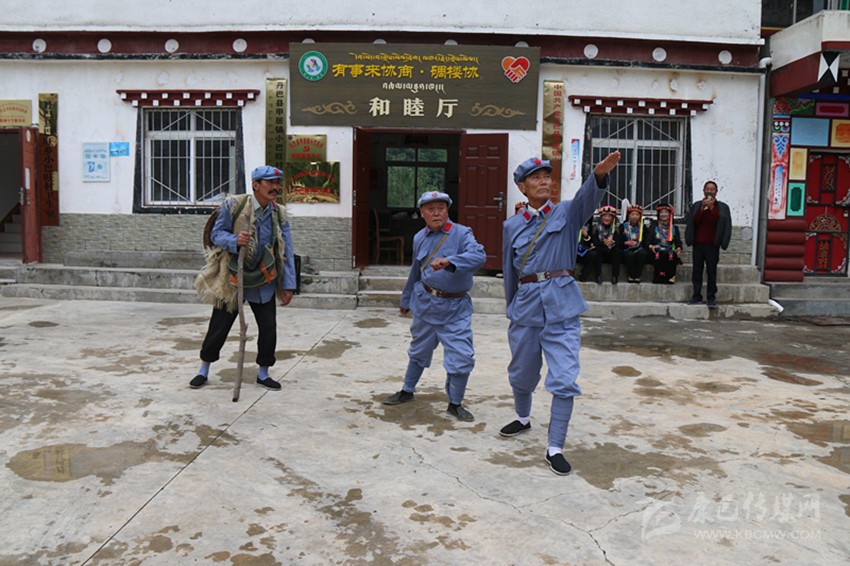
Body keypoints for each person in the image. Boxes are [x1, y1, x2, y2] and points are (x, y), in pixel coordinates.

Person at [501, 151, 621, 475]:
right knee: (522, 374)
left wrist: (598, 176)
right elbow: (510, 272)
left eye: (546, 176)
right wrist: (511, 308)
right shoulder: (511, 226)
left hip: (562, 307)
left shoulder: (567, 213)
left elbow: (587, 198)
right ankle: (523, 417)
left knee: (565, 378)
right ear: (522, 187)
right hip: (525, 308)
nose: (543, 181)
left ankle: (555, 447)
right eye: (535, 178)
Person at [383, 190, 486, 422]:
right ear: (422, 214)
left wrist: (451, 261)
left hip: (455, 308)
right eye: (431, 209)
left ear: (447, 210)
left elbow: (479, 256)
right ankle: (407, 391)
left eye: (441, 208)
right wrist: (406, 299)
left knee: (462, 356)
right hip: (426, 304)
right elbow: (415, 271)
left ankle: (455, 404)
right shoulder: (419, 237)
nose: (436, 213)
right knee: (418, 350)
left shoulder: (462, 233)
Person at [191, 165, 296, 390]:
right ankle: (203, 369)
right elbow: (216, 234)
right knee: (219, 326)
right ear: (255, 185)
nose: (275, 187)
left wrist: (289, 285)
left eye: (277, 183)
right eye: (270, 182)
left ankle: (263, 373)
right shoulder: (234, 205)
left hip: (263, 278)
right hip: (232, 277)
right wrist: (234, 241)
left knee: (268, 328)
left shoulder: (279, 213)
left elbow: (286, 250)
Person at [685, 180, 732, 308]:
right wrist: (702, 208)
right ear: (703, 191)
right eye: (707, 189)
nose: (709, 191)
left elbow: (722, 221)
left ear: (716, 192)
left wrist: (711, 208)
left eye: (712, 189)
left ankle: (711, 297)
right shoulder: (697, 205)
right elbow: (694, 221)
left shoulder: (722, 207)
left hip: (712, 245)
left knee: (711, 271)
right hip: (698, 244)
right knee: (697, 271)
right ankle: (696, 295)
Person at [647, 204, 683, 284]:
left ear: (670, 214)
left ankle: (670, 276)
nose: (663, 214)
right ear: (658, 214)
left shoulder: (674, 228)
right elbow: (648, 241)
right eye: (661, 212)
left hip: (668, 249)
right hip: (656, 249)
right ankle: (659, 276)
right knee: (661, 254)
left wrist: (679, 247)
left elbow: (678, 242)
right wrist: (650, 246)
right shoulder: (654, 226)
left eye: (666, 212)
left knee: (672, 255)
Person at [589, 205, 621, 284]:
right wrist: (603, 242)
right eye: (605, 216)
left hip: (611, 251)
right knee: (597, 251)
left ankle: (615, 276)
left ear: (613, 218)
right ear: (601, 217)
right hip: (601, 250)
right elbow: (594, 241)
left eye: (609, 216)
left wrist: (613, 242)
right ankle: (598, 276)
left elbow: (619, 242)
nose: (607, 218)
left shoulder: (616, 228)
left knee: (617, 251)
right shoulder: (595, 228)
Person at [618, 204, 648, 283]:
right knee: (629, 255)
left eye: (637, 215)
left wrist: (638, 243)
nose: (634, 217)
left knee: (642, 254)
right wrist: (625, 242)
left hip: (639, 247)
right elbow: (618, 240)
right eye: (632, 214)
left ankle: (638, 275)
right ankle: (631, 275)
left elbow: (646, 240)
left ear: (640, 216)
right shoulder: (623, 226)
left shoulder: (643, 227)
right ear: (629, 216)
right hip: (626, 248)